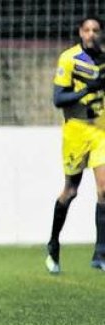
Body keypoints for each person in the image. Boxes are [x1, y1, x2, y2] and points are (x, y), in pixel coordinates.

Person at [46, 15, 105, 273]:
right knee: (70, 192)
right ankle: (53, 244)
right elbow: (59, 99)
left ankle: (100, 253)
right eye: (87, 29)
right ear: (80, 32)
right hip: (76, 133)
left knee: (104, 189)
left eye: (96, 30)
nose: (91, 34)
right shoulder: (69, 58)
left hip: (100, 132)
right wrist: (86, 90)